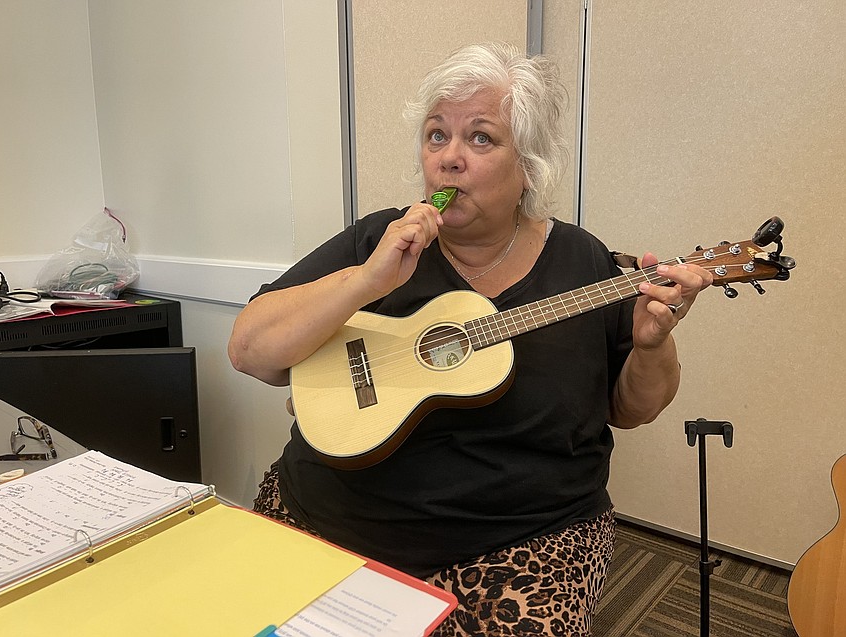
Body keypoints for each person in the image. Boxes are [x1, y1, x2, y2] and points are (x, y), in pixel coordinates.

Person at [228, 42, 713, 637]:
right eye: (437, 136)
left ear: (528, 166)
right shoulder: (380, 238)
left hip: (521, 543)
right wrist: (367, 280)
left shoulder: (583, 262)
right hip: (328, 514)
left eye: (480, 138)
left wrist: (653, 343)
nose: (449, 159)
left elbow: (632, 409)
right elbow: (249, 351)